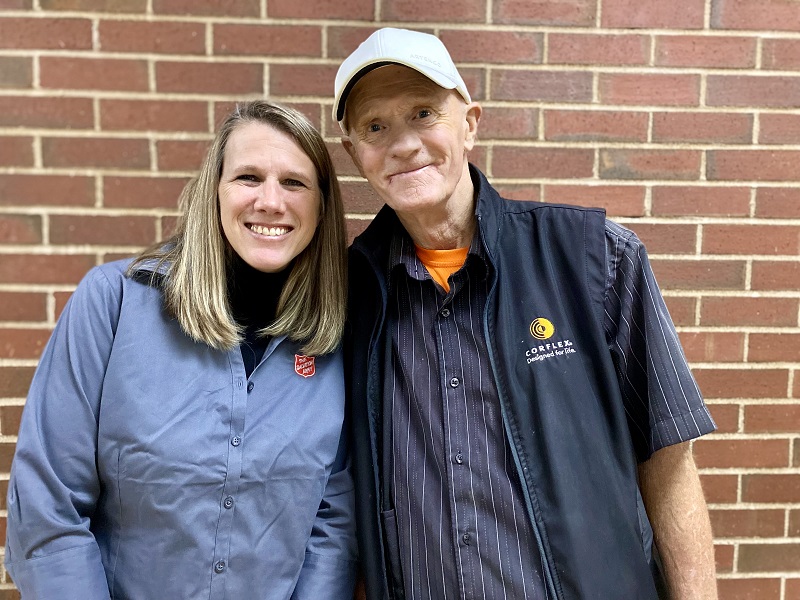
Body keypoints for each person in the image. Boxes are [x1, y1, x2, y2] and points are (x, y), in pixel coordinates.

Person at [335, 27, 718, 599]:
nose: (404, 144)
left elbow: (669, 461)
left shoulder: (595, 257)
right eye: (375, 126)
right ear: (354, 154)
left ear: (469, 123)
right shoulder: (349, 292)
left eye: (423, 112)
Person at [5, 101, 357, 599]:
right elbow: (49, 508)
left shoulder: (333, 338)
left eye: (295, 183)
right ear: (214, 192)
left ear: (322, 207)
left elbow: (333, 523)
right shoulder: (114, 303)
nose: (270, 202)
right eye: (248, 177)